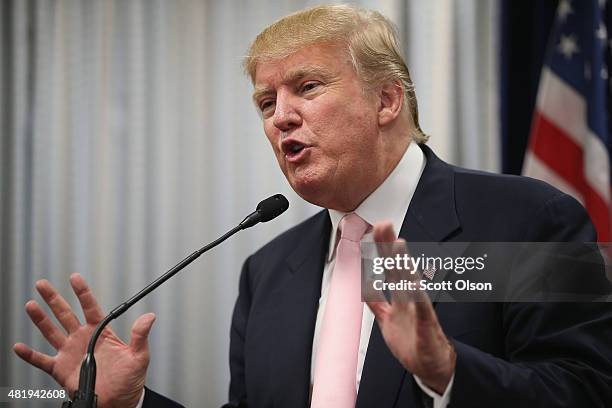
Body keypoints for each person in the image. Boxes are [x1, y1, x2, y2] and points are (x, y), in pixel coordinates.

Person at [13, 4, 612, 408]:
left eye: (308, 87)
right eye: (265, 102)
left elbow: (587, 389)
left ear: (385, 100)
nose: (281, 117)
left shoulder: (527, 220)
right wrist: (134, 402)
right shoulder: (269, 270)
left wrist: (448, 372)